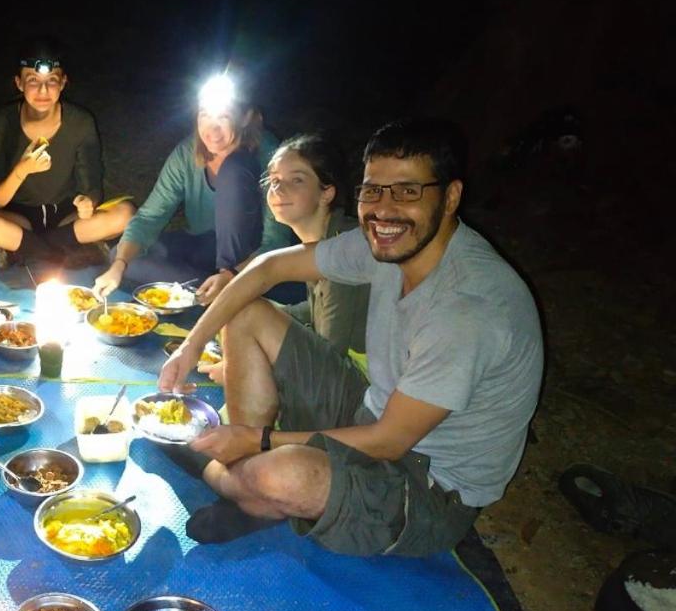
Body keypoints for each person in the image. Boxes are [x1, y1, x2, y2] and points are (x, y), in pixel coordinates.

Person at [160, 118, 543, 557]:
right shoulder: (386, 243)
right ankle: (250, 482)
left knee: (281, 474)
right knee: (247, 312)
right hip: (371, 408)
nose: (384, 209)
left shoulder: (466, 309)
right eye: (373, 190)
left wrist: (257, 440)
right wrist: (192, 345)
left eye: (408, 191)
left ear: (451, 197)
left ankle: (226, 475)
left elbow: (389, 442)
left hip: (427, 487)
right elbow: (268, 268)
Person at [92, 73, 294, 299]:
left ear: (245, 117)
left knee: (234, 170)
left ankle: (226, 290)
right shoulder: (187, 153)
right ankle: (212, 290)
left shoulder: (269, 153)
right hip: (204, 246)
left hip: (251, 255)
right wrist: (120, 265)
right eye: (205, 115)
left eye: (224, 117)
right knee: (122, 256)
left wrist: (232, 273)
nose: (212, 129)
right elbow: (150, 216)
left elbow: (275, 242)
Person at [0, 41, 133, 267]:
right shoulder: (3, 123)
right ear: (19, 83)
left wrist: (87, 202)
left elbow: (92, 183)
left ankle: (26, 249)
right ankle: (60, 251)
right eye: (33, 80)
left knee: (126, 214)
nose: (43, 91)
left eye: (51, 80)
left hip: (67, 217)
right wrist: (21, 171)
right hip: (20, 220)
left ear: (63, 83)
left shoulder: (80, 122)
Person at [204, 134, 369, 362]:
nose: (279, 189)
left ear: (326, 192)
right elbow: (315, 309)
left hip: (368, 375)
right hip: (342, 363)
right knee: (245, 312)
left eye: (297, 180)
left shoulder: (341, 249)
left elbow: (328, 356)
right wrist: (265, 314)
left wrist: (243, 365)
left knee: (248, 334)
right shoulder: (323, 236)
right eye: (274, 180)